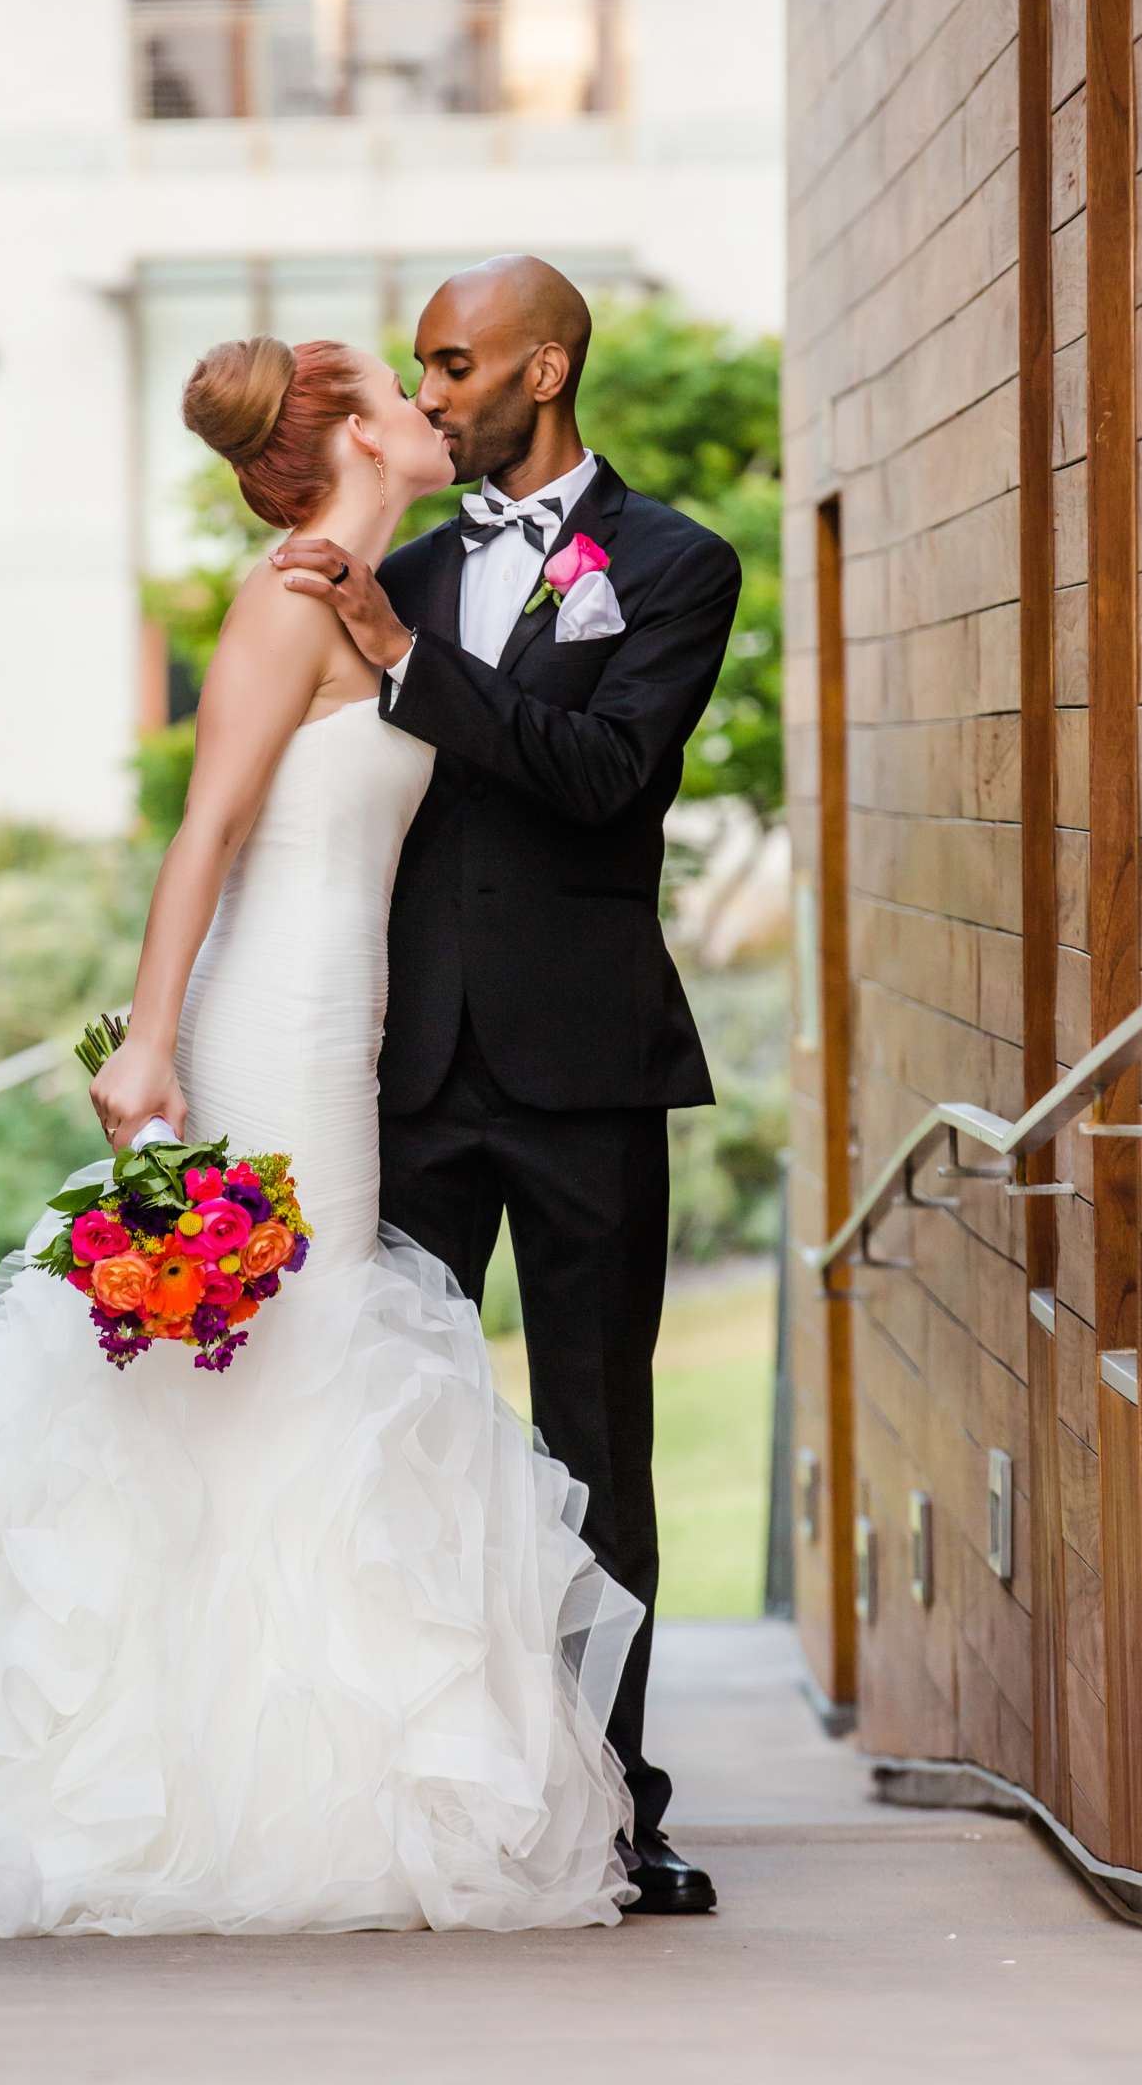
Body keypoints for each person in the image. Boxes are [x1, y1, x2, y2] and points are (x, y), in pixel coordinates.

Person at [0, 334, 642, 1938]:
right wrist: (148, 1037)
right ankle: (189, 1764)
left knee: (295, 1356)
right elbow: (205, 825)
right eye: (404, 397)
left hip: (345, 1014)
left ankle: (262, 1741)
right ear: (344, 435)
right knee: (289, 1342)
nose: (433, 412)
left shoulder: (361, 593)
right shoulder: (286, 602)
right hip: (273, 1012)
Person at [275, 256, 742, 1916]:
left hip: (588, 1068)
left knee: (597, 1447)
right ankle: (410, 1795)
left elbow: (611, 777)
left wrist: (406, 654)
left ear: (544, 371)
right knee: (397, 1439)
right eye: (422, 367)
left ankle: (614, 1811)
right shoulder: (390, 567)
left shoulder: (680, 562)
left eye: (456, 364)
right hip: (407, 1076)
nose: (434, 391)